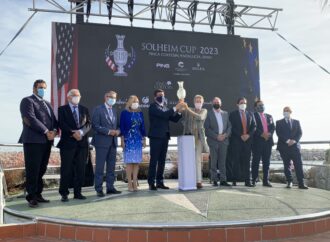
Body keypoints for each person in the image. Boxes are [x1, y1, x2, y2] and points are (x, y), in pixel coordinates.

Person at [19, 79, 58, 208]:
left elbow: (53, 120)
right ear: (34, 89)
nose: (43, 90)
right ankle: (31, 196)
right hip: (33, 141)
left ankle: (38, 194)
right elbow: (30, 118)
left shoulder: (47, 103)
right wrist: (46, 131)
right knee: (33, 169)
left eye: (44, 87)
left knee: (42, 169)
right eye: (40, 87)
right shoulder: (27, 101)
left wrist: (54, 131)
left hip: (46, 141)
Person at [148, 89, 186, 190]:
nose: (162, 97)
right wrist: (175, 107)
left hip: (165, 137)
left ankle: (160, 182)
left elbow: (174, 119)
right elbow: (164, 115)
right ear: (155, 97)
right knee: (154, 160)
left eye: (163, 95)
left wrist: (179, 111)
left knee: (162, 161)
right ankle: (151, 182)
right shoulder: (153, 107)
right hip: (156, 137)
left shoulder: (164, 107)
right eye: (160, 95)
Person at [57, 89, 91, 202]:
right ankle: (64, 193)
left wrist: (80, 133)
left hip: (82, 144)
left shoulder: (84, 109)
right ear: (68, 97)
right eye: (74, 95)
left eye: (78, 95)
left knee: (80, 169)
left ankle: (78, 193)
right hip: (67, 144)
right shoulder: (62, 109)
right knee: (66, 169)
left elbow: (88, 124)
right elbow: (62, 124)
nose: (77, 97)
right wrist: (73, 133)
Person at [91, 90, 122, 197]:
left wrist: (118, 131)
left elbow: (118, 125)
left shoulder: (114, 110)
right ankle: (99, 189)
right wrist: (109, 131)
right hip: (101, 143)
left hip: (113, 142)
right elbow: (95, 125)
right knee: (100, 167)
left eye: (114, 98)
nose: (113, 99)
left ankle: (110, 187)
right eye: (111, 97)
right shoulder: (98, 109)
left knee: (111, 167)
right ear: (106, 97)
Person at [276, 106, 308, 189]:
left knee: (298, 164)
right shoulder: (279, 122)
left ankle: (301, 183)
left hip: (295, 147)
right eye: (284, 111)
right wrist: (287, 141)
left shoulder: (296, 122)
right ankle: (289, 182)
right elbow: (279, 133)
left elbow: (300, 133)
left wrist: (294, 141)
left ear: (291, 112)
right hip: (284, 147)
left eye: (287, 110)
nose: (285, 112)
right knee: (287, 165)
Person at [181, 95, 209, 189]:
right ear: (194, 102)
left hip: (199, 138)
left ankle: (198, 181)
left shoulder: (204, 111)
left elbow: (200, 117)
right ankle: (190, 180)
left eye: (200, 101)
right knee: (189, 160)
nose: (198, 102)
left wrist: (187, 109)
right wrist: (182, 102)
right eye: (197, 101)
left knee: (197, 160)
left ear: (202, 102)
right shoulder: (189, 109)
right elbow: (181, 111)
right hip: (188, 139)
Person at [120, 95, 146, 192]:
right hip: (128, 139)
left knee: (136, 162)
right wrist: (122, 141)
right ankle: (129, 184)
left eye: (137, 101)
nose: (136, 103)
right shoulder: (124, 113)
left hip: (138, 139)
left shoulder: (140, 113)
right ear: (130, 102)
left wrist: (144, 139)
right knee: (129, 162)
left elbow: (142, 126)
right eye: (134, 101)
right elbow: (122, 127)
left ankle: (135, 183)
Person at [204, 97, 232, 187]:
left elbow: (229, 127)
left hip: (224, 141)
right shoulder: (208, 114)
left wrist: (225, 135)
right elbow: (207, 129)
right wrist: (216, 136)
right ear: (212, 103)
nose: (216, 103)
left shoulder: (225, 114)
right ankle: (214, 179)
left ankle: (223, 180)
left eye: (218, 102)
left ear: (221, 103)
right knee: (214, 161)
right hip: (213, 141)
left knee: (222, 162)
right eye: (215, 102)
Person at [229, 97, 256, 187]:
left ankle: (247, 181)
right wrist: (241, 135)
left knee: (247, 162)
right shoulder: (233, 114)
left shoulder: (251, 114)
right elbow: (232, 127)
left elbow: (254, 126)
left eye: (244, 103)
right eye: (241, 103)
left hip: (248, 142)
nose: (243, 104)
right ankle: (234, 180)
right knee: (235, 161)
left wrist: (248, 135)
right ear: (237, 104)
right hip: (237, 141)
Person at [251, 100, 275, 187]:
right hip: (257, 142)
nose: (261, 106)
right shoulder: (253, 115)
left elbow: (273, 127)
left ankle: (266, 180)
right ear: (255, 107)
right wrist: (262, 134)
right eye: (259, 105)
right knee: (255, 161)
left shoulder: (269, 116)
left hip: (268, 142)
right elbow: (253, 127)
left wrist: (269, 134)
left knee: (266, 162)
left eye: (262, 105)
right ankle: (254, 179)